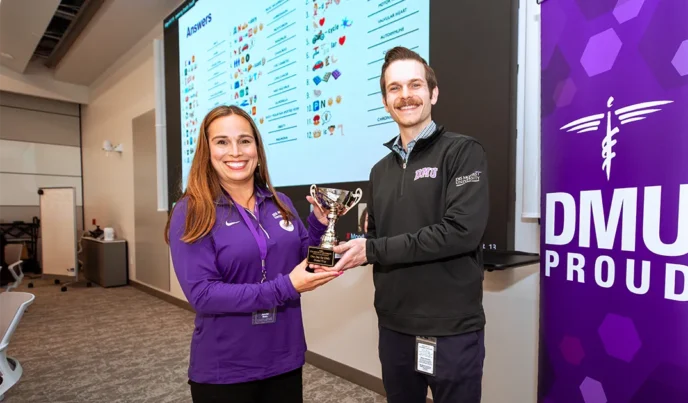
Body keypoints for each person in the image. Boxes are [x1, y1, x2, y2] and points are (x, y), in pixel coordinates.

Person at [311, 46, 490, 402]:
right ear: (384, 100)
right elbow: (377, 238)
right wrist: (345, 243)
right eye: (395, 88)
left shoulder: (463, 152)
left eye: (415, 85)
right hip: (394, 327)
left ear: (433, 93)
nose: (405, 95)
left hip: (451, 327)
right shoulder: (379, 172)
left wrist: (372, 248)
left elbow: (461, 233)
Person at [165, 105, 341, 403]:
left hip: (284, 357)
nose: (236, 151)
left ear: (257, 148)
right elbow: (203, 294)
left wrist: (319, 224)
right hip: (227, 368)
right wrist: (285, 287)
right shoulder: (191, 210)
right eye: (222, 142)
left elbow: (303, 258)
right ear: (206, 151)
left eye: (245, 141)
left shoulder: (279, 201)